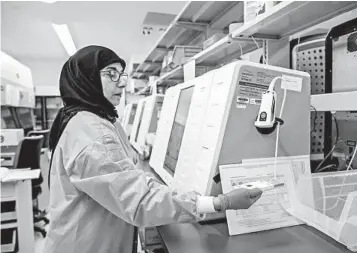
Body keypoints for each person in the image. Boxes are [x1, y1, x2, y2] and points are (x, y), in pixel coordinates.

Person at [43, 45, 263, 253]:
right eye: (111, 74)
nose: (120, 83)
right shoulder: (90, 130)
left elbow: (112, 170)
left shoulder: (94, 119)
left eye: (121, 75)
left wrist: (136, 156)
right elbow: (139, 200)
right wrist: (219, 202)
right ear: (86, 77)